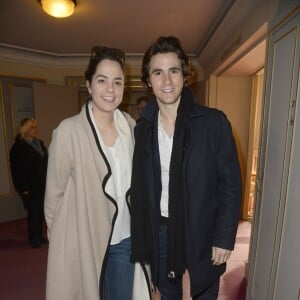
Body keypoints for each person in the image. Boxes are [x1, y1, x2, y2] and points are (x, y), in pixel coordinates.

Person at [130, 36, 242, 300]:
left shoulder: (214, 123)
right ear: (148, 80)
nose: (167, 81)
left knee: (204, 291)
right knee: (168, 294)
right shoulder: (142, 131)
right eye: (158, 73)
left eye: (173, 71)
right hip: (161, 230)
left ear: (184, 75)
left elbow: (230, 184)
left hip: (202, 228)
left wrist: (224, 237)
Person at [44, 45, 150, 300]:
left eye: (117, 81)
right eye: (102, 80)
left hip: (125, 238)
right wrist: (63, 242)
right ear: (89, 85)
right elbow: (53, 197)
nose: (110, 89)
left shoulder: (130, 126)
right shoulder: (68, 132)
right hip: (84, 240)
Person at [9, 118, 48, 248]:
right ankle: (33, 238)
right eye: (32, 127)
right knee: (34, 213)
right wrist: (22, 188)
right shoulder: (18, 147)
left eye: (36, 126)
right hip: (30, 186)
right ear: (25, 129)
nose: (35, 129)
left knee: (41, 212)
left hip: (43, 184)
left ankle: (39, 236)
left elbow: (46, 162)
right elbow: (16, 170)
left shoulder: (40, 143)